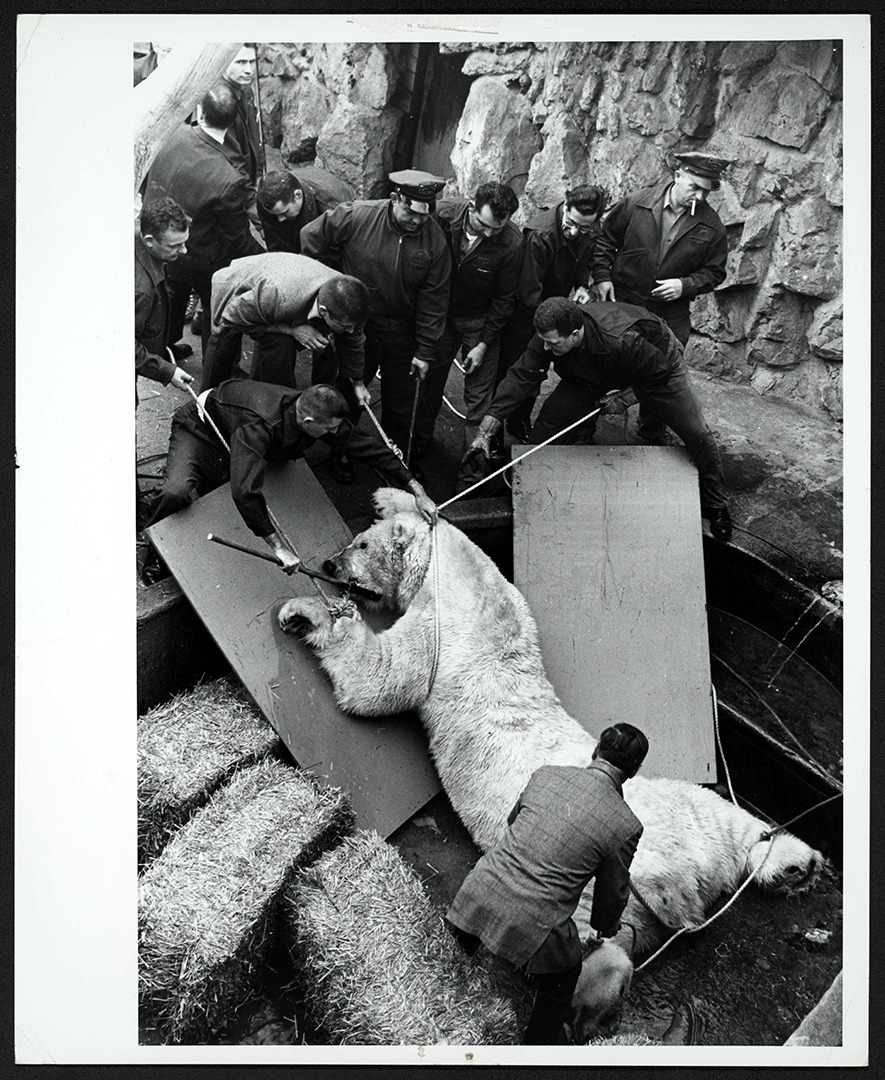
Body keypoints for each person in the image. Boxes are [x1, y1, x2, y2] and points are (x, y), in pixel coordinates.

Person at [446, 723, 648, 1045]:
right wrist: (606, 926)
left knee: (448, 958)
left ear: (596, 749)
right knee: (564, 979)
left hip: (479, 888)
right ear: (634, 770)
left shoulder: (546, 774)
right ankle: (535, 1051)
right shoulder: (626, 825)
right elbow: (611, 899)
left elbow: (514, 822)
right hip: (534, 922)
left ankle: (442, 1004)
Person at [470, 296, 733, 540]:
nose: (546, 348)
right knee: (549, 424)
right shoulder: (550, 338)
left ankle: (716, 503)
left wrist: (623, 399)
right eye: (544, 342)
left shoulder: (622, 339)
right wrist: (489, 425)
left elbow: (658, 372)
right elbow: (520, 376)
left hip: (656, 362)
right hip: (589, 369)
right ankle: (527, 485)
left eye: (552, 343)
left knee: (695, 431)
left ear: (574, 334)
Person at [143, 381, 437, 582]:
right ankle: (153, 548)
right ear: (309, 424)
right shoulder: (259, 426)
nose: (335, 434)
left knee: (230, 485)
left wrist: (417, 490)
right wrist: (277, 546)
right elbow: (245, 490)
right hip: (202, 428)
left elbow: (369, 448)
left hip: (245, 435)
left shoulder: (314, 412)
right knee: (176, 491)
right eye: (330, 430)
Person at [300, 169, 452, 469]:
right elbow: (310, 237)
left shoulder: (435, 240)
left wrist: (424, 351)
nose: (418, 221)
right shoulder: (357, 216)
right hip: (358, 326)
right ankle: (341, 450)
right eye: (411, 212)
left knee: (401, 401)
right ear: (395, 199)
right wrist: (327, 286)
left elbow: (435, 300)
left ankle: (394, 460)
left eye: (425, 214)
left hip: (403, 332)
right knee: (349, 390)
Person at [591, 153, 731, 445]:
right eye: (695, 186)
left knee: (662, 372)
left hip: (670, 314)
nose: (700, 195)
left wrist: (685, 285)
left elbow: (715, 273)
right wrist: (602, 276)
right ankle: (588, 427)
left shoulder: (711, 226)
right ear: (678, 174)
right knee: (603, 363)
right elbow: (605, 239)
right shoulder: (637, 203)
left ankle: (650, 432)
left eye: (707, 190)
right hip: (623, 303)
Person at [143, 82, 263, 354]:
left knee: (173, 293)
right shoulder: (230, 179)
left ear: (199, 110)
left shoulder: (171, 133)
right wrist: (267, 257)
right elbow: (239, 239)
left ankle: (165, 348)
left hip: (164, 247)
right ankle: (215, 364)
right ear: (232, 122)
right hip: (201, 260)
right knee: (214, 307)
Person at [496, 185, 609, 442]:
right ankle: (497, 426)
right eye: (570, 224)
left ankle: (519, 419)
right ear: (565, 207)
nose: (574, 232)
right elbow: (528, 294)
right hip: (526, 313)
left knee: (539, 371)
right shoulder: (540, 235)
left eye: (583, 228)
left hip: (553, 306)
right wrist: (553, 324)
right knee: (518, 369)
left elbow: (584, 260)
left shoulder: (589, 228)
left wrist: (582, 286)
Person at [423, 182, 522, 457]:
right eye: (483, 224)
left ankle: (473, 468)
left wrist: (484, 344)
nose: (490, 233)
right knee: (428, 382)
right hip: (440, 316)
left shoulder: (512, 243)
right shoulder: (441, 215)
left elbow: (504, 299)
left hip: (479, 324)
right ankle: (416, 451)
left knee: (479, 399)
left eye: (497, 228)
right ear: (471, 207)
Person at [135, 197, 194, 528]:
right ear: (149, 240)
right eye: (176, 245)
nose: (183, 252)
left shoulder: (144, 252)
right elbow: (122, 346)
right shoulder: (140, 290)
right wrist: (167, 371)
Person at [257, 167, 356, 255]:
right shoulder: (268, 199)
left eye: (285, 212)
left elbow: (341, 253)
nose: (280, 220)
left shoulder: (334, 209)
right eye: (275, 215)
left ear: (298, 195)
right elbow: (277, 245)